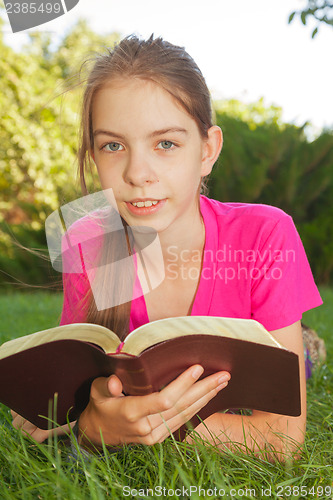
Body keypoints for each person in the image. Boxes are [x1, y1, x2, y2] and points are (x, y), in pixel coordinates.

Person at [12, 35, 322, 461]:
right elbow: (75, 391)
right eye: (113, 145)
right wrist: (86, 423)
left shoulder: (265, 234)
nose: (138, 173)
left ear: (207, 151)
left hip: (274, 341)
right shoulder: (88, 241)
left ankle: (305, 341)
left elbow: (282, 440)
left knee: (299, 359)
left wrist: (140, 422)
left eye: (166, 144)